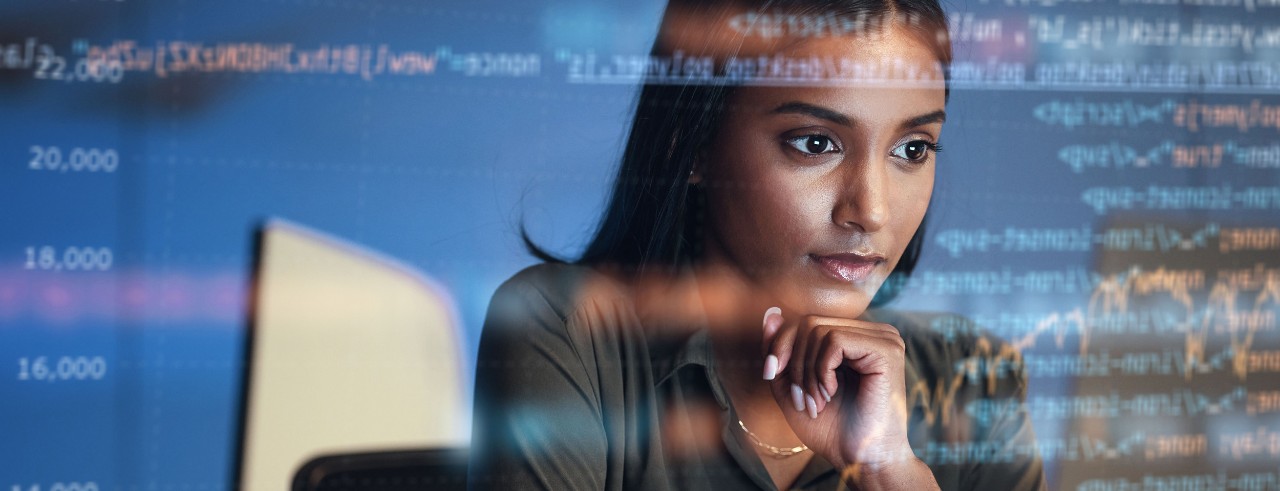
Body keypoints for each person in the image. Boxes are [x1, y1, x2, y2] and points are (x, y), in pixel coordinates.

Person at [469, 0, 1046, 489]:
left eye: (912, 150)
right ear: (690, 143)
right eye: (816, 143)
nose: (871, 211)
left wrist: (890, 471)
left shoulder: (975, 380)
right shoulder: (571, 331)